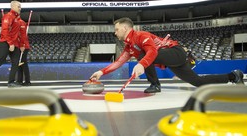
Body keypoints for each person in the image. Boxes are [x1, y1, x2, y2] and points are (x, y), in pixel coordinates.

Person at [90, 17, 244, 93]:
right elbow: (119, 62)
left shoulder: (141, 35)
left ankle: (155, 85)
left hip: (176, 52)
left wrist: (141, 64)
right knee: (198, 82)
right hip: (171, 60)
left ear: (125, 28)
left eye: (116, 29)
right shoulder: (129, 46)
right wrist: (101, 72)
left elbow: (152, 52)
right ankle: (233, 76)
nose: (115, 32)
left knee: (144, 54)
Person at [17, 18, 31, 86]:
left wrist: (22, 45)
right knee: (20, 64)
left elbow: (22, 35)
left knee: (23, 63)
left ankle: (27, 81)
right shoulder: (16, 22)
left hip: (23, 46)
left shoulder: (20, 22)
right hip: (19, 46)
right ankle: (19, 80)